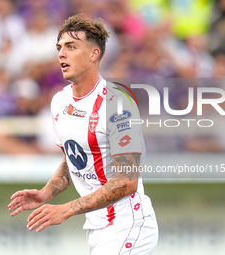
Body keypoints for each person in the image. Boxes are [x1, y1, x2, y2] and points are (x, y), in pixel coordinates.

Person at [8, 14, 158, 254]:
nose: (61, 54)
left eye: (71, 47)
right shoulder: (59, 101)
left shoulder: (118, 104)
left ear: (93, 54)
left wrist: (66, 209)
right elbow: (74, 160)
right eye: (59, 48)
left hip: (129, 225)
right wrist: (46, 193)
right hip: (97, 230)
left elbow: (127, 182)